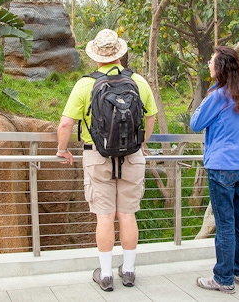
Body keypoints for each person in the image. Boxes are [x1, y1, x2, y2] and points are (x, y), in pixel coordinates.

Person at [56, 29, 157, 292]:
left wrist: (62, 149)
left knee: (104, 216)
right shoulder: (138, 81)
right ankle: (130, 271)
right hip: (132, 156)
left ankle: (106, 274)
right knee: (127, 214)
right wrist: (142, 142)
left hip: (97, 156)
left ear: (95, 56)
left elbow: (66, 123)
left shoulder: (85, 84)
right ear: (120, 54)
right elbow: (150, 117)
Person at [190, 46, 239, 294]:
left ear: (220, 68)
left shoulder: (218, 96)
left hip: (221, 167)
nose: (208, 64)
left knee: (224, 224)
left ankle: (223, 279)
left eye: (211, 61)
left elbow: (195, 124)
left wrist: (210, 94)